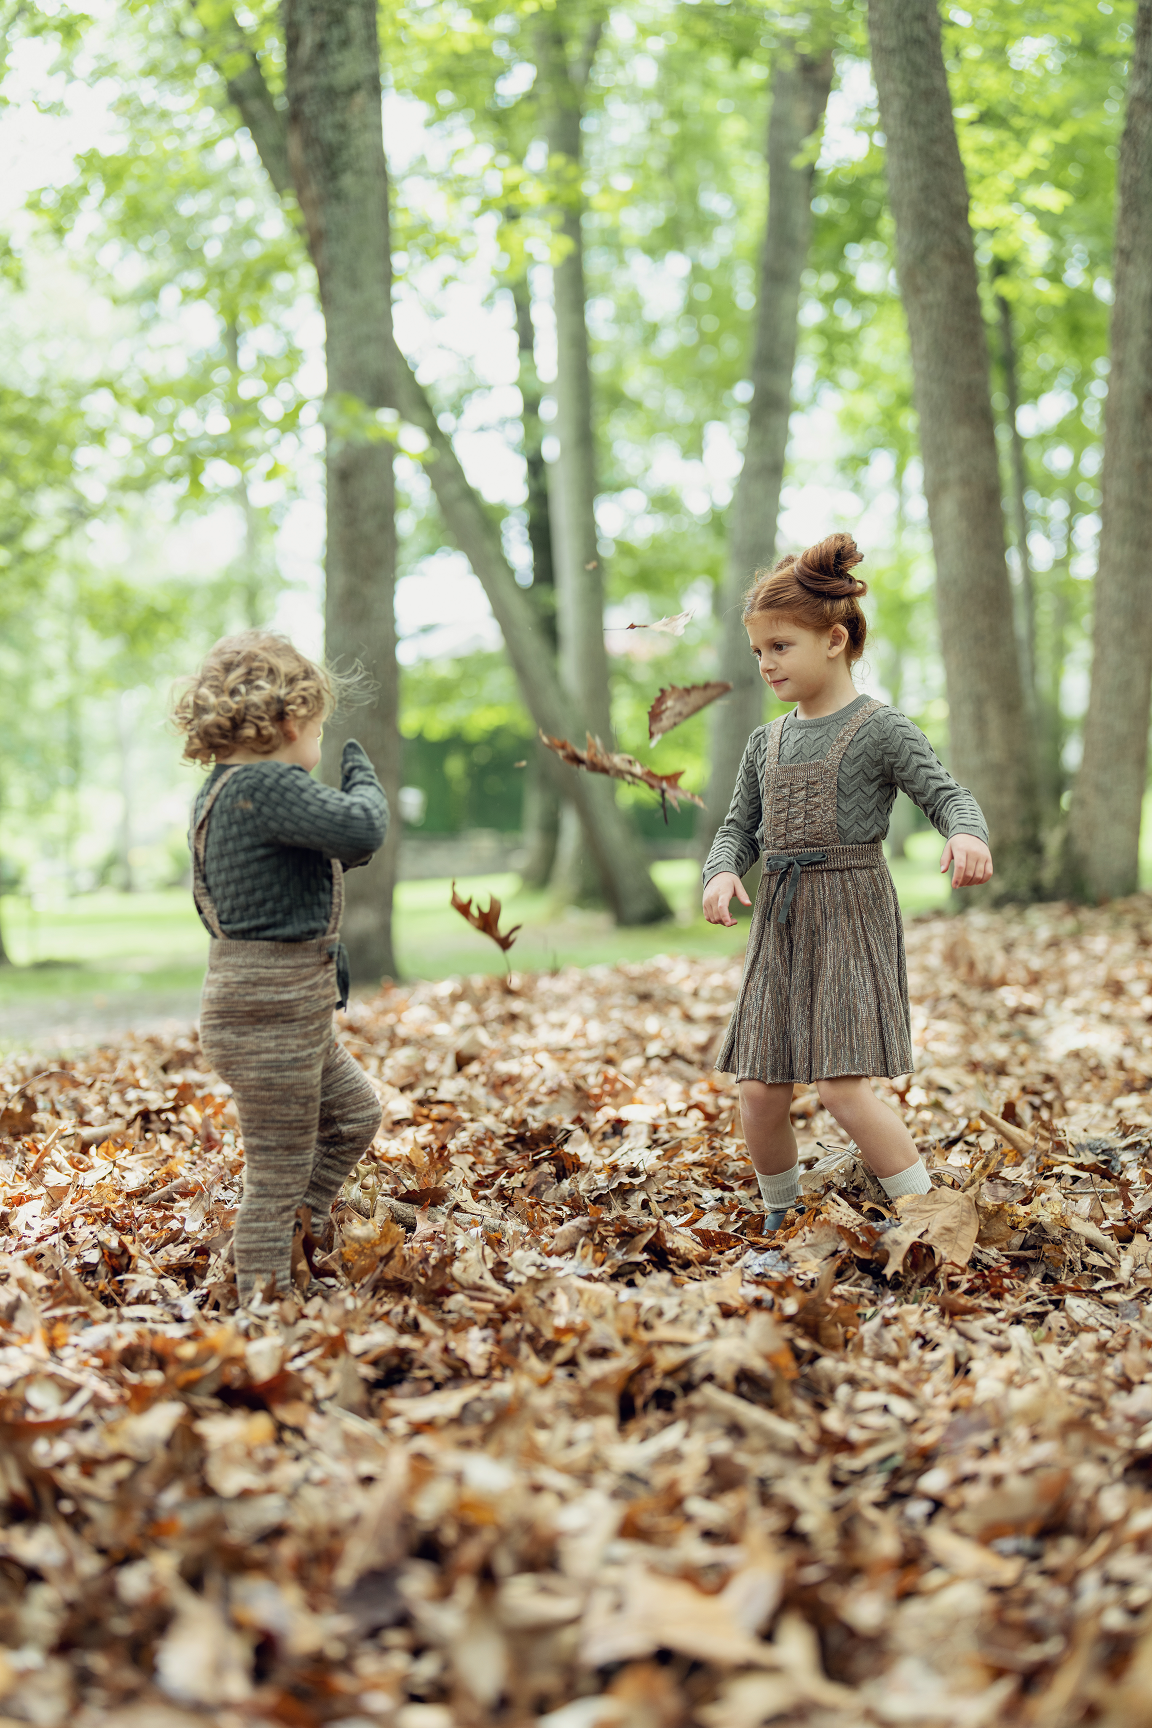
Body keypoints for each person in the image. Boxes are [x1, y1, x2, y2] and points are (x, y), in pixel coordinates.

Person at [702, 534, 993, 1229]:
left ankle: (926, 1214)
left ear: (834, 640)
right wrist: (720, 872)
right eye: (758, 651)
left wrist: (966, 832)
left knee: (840, 1088)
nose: (766, 664)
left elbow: (949, 795)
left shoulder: (881, 728)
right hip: (780, 921)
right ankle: (780, 1215)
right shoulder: (763, 743)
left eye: (780, 646)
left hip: (849, 913)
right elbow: (738, 827)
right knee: (759, 1091)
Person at [173, 630, 388, 1304]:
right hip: (271, 1013)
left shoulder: (224, 791)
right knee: (277, 1168)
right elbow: (360, 829)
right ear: (292, 722)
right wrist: (362, 778)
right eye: (321, 729)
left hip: (279, 1008)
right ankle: (262, 1307)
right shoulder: (267, 784)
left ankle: (305, 1226)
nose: (320, 742)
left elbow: (309, 858)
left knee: (355, 1114)